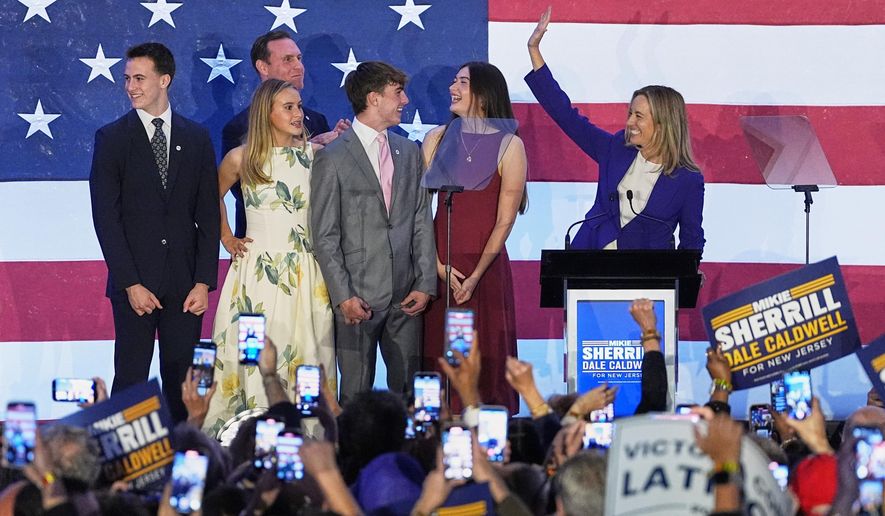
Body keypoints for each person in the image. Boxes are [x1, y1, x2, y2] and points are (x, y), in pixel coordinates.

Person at [89, 42, 219, 423]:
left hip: (184, 287)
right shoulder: (112, 139)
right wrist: (130, 283)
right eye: (127, 78)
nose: (131, 86)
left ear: (165, 80)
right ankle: (124, 471)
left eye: (139, 78)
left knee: (182, 383)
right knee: (130, 380)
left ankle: (183, 461)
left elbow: (208, 215)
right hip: (135, 286)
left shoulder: (196, 138)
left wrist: (202, 281)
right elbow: (105, 219)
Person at [202, 79, 335, 436]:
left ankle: (308, 441)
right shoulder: (241, 157)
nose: (298, 114)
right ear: (267, 113)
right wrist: (226, 237)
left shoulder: (314, 155)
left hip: (305, 272)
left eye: (298, 106)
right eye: (288, 107)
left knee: (306, 354)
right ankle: (244, 438)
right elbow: (208, 196)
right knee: (254, 356)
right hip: (256, 276)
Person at [525, 7, 705, 253]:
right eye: (630, 113)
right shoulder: (616, 149)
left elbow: (692, 240)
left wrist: (688, 274)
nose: (629, 122)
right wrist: (534, 51)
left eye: (638, 116)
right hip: (588, 263)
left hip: (645, 279)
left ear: (663, 125)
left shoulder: (687, 180)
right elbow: (566, 116)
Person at [310, 61, 437, 403]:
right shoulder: (332, 158)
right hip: (358, 299)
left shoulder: (409, 152)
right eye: (398, 93)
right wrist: (344, 296)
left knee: (410, 397)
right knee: (354, 395)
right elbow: (324, 234)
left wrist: (425, 284)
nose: (406, 100)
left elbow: (421, 219)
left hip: (407, 299)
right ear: (373, 98)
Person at [421, 61, 528, 412]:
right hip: (441, 267)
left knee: (485, 363)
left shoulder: (509, 146)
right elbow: (420, 212)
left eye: (463, 82)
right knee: (441, 366)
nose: (453, 86)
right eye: (454, 80)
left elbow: (504, 220)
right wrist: (435, 265)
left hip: (485, 270)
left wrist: (477, 275)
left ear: (482, 94)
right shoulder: (435, 139)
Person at [222, 30, 350, 241]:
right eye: (288, 59)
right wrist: (303, 148)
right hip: (262, 243)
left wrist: (341, 149)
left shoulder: (316, 120)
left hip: (313, 243)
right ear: (263, 67)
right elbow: (246, 191)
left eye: (299, 58)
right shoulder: (239, 127)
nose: (298, 66)